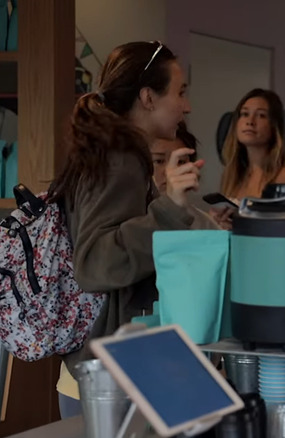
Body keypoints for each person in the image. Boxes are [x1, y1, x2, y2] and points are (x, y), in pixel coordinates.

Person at [50, 41, 216, 418]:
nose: (186, 106)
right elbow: (94, 264)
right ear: (147, 97)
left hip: (107, 368)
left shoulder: (115, 152)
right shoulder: (120, 158)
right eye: (180, 92)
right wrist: (169, 207)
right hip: (110, 375)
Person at [214, 88, 285, 228]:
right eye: (244, 114)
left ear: (274, 126)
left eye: (261, 115)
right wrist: (219, 221)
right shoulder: (232, 175)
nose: (250, 121)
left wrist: (242, 224)